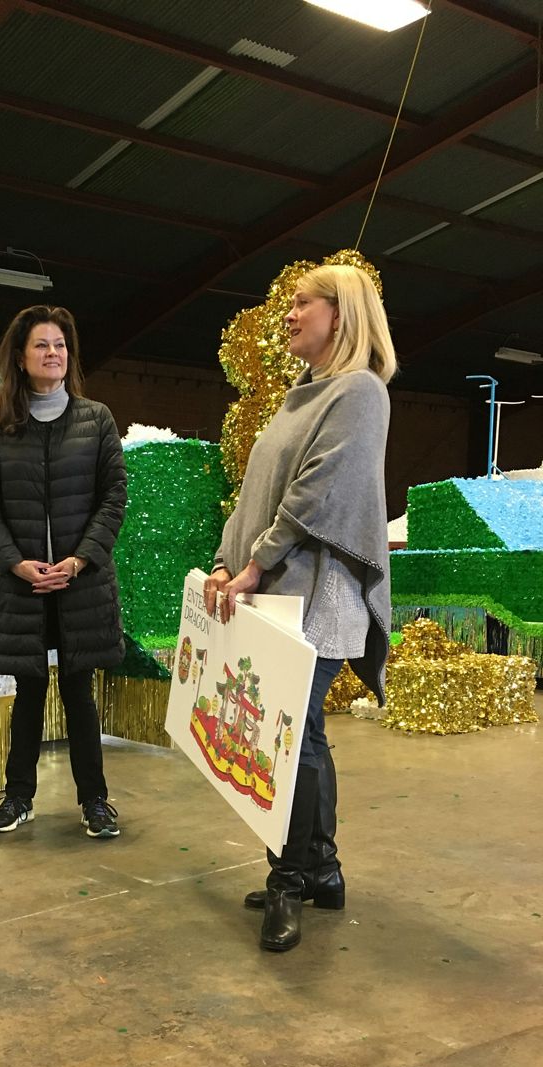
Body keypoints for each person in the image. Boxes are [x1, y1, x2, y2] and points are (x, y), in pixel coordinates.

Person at [204, 264, 395, 952]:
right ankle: (322, 871)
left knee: (285, 738)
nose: (287, 315)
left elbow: (317, 493)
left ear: (339, 314)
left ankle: (288, 880)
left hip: (317, 597)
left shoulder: (360, 392)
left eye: (300, 303)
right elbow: (256, 489)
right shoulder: (303, 395)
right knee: (304, 733)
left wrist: (258, 560)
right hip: (279, 589)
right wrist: (230, 558)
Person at [0, 304, 127, 838]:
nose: (52, 353)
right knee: (29, 693)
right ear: (20, 357)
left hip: (80, 584)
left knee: (80, 693)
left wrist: (79, 559)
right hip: (23, 588)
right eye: (41, 345)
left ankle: (96, 800)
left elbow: (113, 499)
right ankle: (18, 797)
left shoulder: (96, 419)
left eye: (60, 345)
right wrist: (16, 563)